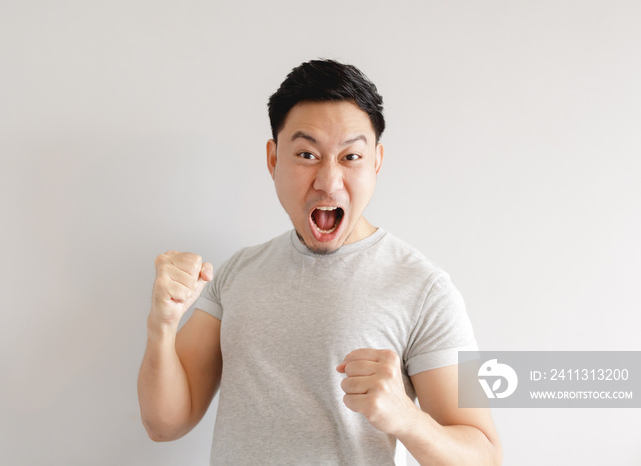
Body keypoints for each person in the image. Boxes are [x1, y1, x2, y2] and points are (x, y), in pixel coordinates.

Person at [137, 59, 502, 465]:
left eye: (350, 157)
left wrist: (408, 419)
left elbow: (486, 454)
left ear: (376, 162)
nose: (328, 181)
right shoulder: (237, 273)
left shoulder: (426, 289)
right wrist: (162, 326)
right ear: (273, 159)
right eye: (307, 154)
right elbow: (164, 424)